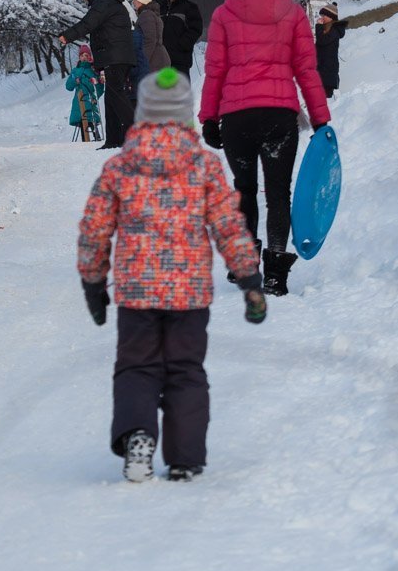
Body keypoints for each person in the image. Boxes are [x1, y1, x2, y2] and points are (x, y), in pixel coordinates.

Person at [78, 67, 267, 484]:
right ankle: (185, 459)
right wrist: (249, 279)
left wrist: (93, 282)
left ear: (143, 112)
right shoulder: (205, 166)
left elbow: (95, 228)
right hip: (189, 293)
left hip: (137, 293)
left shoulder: (120, 167)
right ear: (185, 116)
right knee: (185, 369)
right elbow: (228, 226)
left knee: (136, 366)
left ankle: (139, 435)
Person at [199, 0, 332, 296]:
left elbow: (215, 72)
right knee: (277, 193)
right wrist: (320, 118)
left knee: (244, 190)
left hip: (237, 118)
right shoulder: (292, 13)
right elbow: (307, 71)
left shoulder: (224, 14)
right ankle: (275, 272)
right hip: (279, 116)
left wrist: (208, 118)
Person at [58, 0, 137, 149]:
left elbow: (88, 23)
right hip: (117, 56)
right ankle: (114, 140)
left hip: (115, 57)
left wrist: (68, 36)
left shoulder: (103, 3)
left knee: (117, 95)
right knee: (111, 98)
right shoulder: (110, 1)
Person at [159, 0, 204, 77]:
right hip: (162, 59)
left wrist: (183, 44)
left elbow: (196, 28)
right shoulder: (160, 8)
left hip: (181, 60)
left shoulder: (189, 7)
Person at [132, 0, 171, 95]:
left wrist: (142, 62)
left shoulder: (146, 15)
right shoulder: (150, 14)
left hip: (154, 61)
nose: (133, 2)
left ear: (142, 1)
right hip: (157, 59)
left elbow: (150, 40)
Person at [65, 44, 103, 141]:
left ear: (90, 57)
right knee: (82, 123)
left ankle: (97, 138)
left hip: (91, 101)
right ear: (79, 57)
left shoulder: (93, 71)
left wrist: (95, 97)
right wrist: (74, 81)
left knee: (92, 121)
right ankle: (85, 142)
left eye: (86, 55)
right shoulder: (75, 71)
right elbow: (68, 86)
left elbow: (99, 88)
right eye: (82, 55)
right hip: (79, 102)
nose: (84, 57)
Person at [314, 2, 347, 98]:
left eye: (324, 15)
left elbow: (322, 40)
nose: (322, 17)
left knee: (326, 99)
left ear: (330, 17)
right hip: (322, 70)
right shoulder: (327, 29)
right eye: (322, 15)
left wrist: (318, 26)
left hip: (328, 71)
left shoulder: (334, 30)